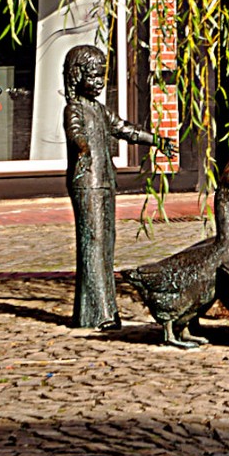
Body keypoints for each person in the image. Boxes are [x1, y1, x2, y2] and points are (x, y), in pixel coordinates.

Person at [63, 44, 176, 330]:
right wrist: (82, 146)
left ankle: (101, 310)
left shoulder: (99, 109)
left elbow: (126, 130)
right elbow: (75, 133)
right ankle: (98, 313)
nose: (100, 83)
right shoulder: (74, 109)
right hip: (86, 183)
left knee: (106, 245)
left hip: (104, 182)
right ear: (77, 76)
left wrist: (157, 141)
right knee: (94, 243)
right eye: (94, 76)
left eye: (103, 77)